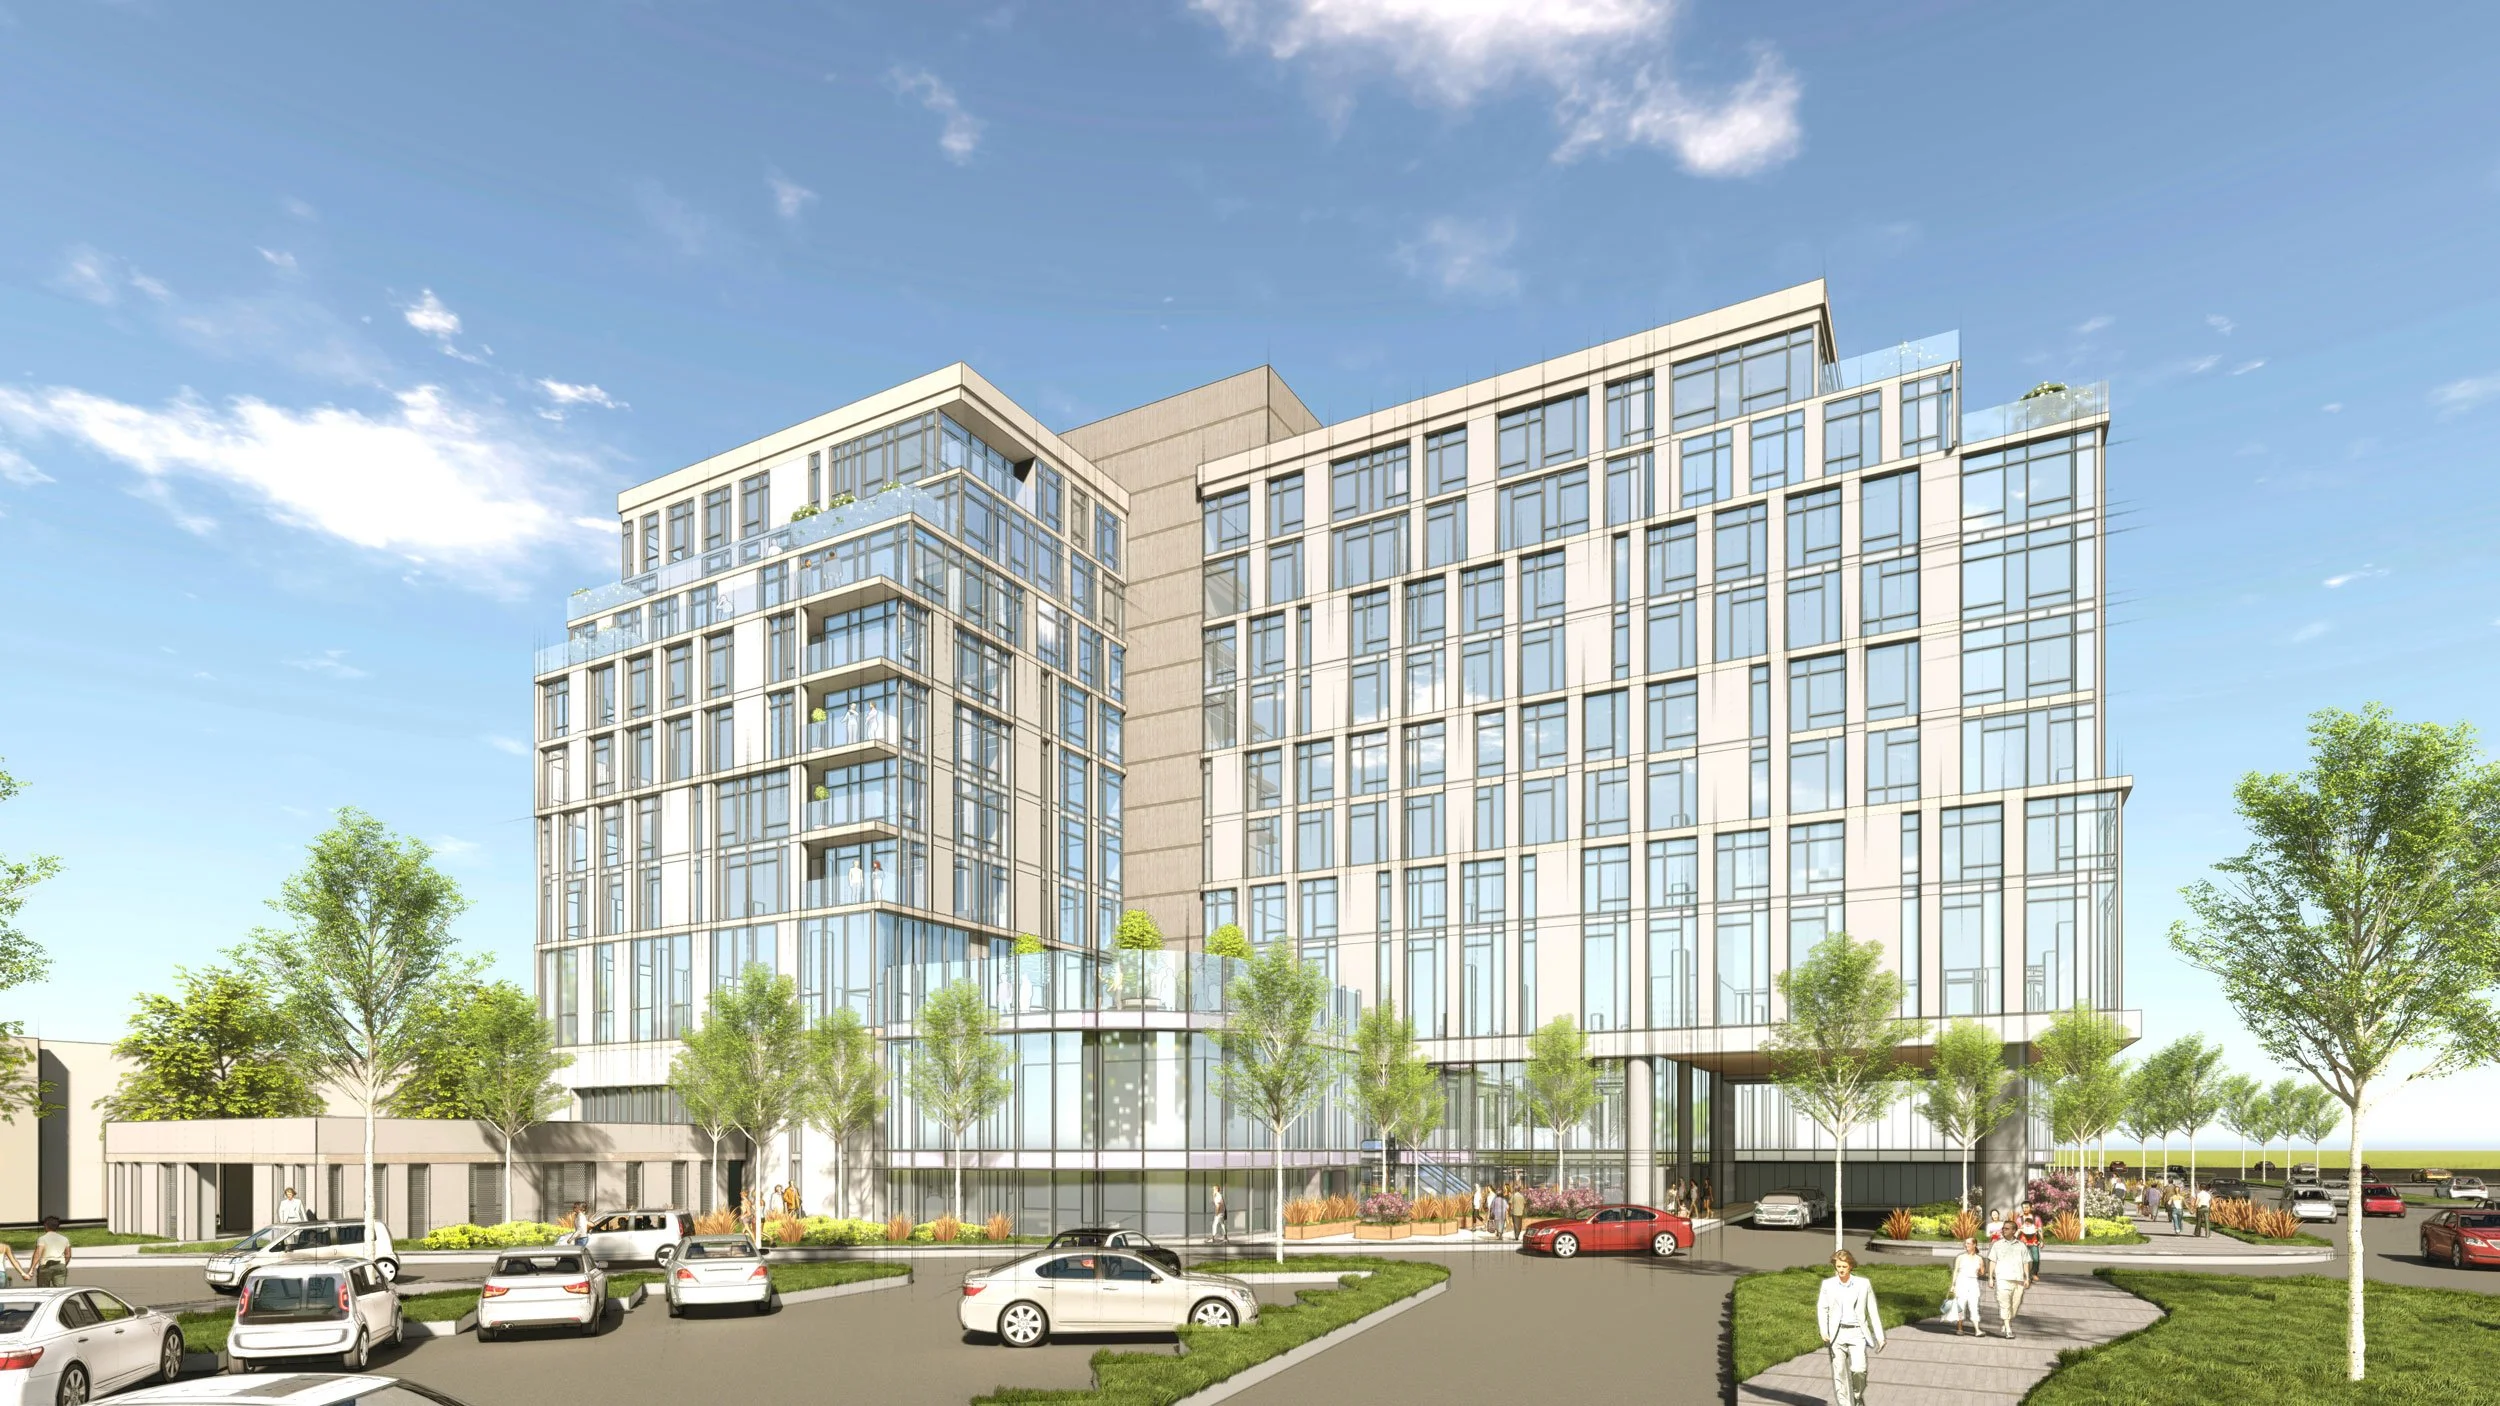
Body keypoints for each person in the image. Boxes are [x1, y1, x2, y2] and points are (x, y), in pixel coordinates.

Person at [1817, 1249, 1885, 1406]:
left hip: (1857, 1333)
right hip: (1837, 1334)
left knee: (1859, 1370)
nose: (1840, 1270)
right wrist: (1824, 1330)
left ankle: (1857, 1397)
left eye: (1844, 1266)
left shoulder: (1863, 1284)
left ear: (1851, 1266)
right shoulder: (1828, 1285)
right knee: (1839, 1373)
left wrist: (1880, 1336)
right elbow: (1822, 1308)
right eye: (1838, 1266)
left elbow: (1872, 1311)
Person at [1987, 1218, 2032, 1339]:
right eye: (2003, 1228)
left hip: (2018, 1279)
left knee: (2015, 1305)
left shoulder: (2021, 1246)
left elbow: (2026, 1262)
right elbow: (1992, 1261)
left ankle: (2006, 1321)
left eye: (2006, 1229)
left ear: (2014, 1231)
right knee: (2005, 1304)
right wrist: (1990, 1277)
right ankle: (2008, 1329)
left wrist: (2027, 1278)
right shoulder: (1997, 1245)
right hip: (2002, 1278)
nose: (2003, 1230)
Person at [1948, 1237, 1985, 1337]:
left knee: (1974, 1305)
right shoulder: (1960, 1257)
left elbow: (1982, 1272)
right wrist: (1953, 1285)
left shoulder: (1979, 1259)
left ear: (1974, 1245)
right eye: (1965, 1243)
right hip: (1962, 1282)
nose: (1966, 1245)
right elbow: (1956, 1271)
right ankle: (1960, 1327)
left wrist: (1980, 1270)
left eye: (1968, 1243)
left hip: (1973, 1283)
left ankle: (1977, 1330)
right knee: (1960, 1305)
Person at [31, 1217, 71, 1289]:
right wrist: (63, 1264)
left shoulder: (42, 1239)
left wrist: (32, 1268)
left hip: (45, 1266)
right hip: (60, 1265)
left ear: (46, 1226)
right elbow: (68, 1255)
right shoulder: (65, 1239)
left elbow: (38, 1254)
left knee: (44, 1290)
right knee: (60, 1290)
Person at [2019, 1206, 2043, 1281]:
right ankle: (2022, 1274)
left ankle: (2034, 1273)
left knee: (2036, 1258)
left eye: (2027, 1207)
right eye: (2023, 1207)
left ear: (2030, 1208)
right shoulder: (2019, 1219)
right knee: (2022, 1258)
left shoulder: (2036, 1218)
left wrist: (2042, 1241)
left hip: (2034, 1242)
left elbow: (2040, 1230)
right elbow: (2016, 1230)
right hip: (2023, 1242)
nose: (2025, 1209)